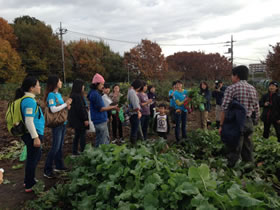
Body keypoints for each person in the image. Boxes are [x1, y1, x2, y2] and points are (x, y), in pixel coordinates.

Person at [219, 65, 260, 167]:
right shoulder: (252, 88)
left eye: (232, 75)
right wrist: (255, 121)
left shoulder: (231, 88)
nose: (231, 78)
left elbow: (224, 108)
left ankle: (231, 172)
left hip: (236, 123)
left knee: (234, 147)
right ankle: (249, 170)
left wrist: (221, 125)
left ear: (236, 76)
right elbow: (257, 108)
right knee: (247, 147)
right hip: (248, 122)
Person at [15, 76, 44, 192]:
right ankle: (29, 185)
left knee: (34, 157)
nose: (40, 87)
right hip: (33, 134)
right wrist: (36, 137)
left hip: (32, 133)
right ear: (32, 88)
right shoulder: (28, 101)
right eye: (38, 85)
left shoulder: (28, 100)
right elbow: (29, 121)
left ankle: (29, 180)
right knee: (33, 158)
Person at [44, 75, 72, 178]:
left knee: (60, 146)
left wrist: (66, 106)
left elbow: (60, 108)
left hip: (62, 123)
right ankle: (47, 169)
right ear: (55, 83)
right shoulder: (51, 95)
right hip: (56, 124)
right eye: (59, 81)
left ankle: (59, 165)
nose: (61, 82)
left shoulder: (58, 94)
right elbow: (53, 109)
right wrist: (66, 104)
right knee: (55, 147)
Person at [87, 73, 118, 147]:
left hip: (98, 119)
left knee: (99, 139)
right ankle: (103, 155)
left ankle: (97, 155)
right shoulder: (96, 94)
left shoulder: (93, 93)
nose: (103, 86)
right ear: (97, 84)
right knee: (104, 141)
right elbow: (101, 108)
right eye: (102, 84)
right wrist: (113, 107)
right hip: (100, 120)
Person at [68, 79, 89, 156]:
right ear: (79, 86)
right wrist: (85, 119)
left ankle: (75, 151)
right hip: (79, 120)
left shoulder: (73, 95)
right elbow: (81, 109)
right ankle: (83, 151)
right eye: (82, 85)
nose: (83, 87)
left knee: (77, 135)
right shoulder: (78, 96)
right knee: (82, 135)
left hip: (75, 119)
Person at [127, 79, 142, 144]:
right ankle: (133, 144)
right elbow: (135, 105)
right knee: (134, 130)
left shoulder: (130, 91)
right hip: (134, 114)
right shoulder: (132, 92)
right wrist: (138, 112)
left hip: (132, 113)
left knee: (135, 129)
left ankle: (134, 143)